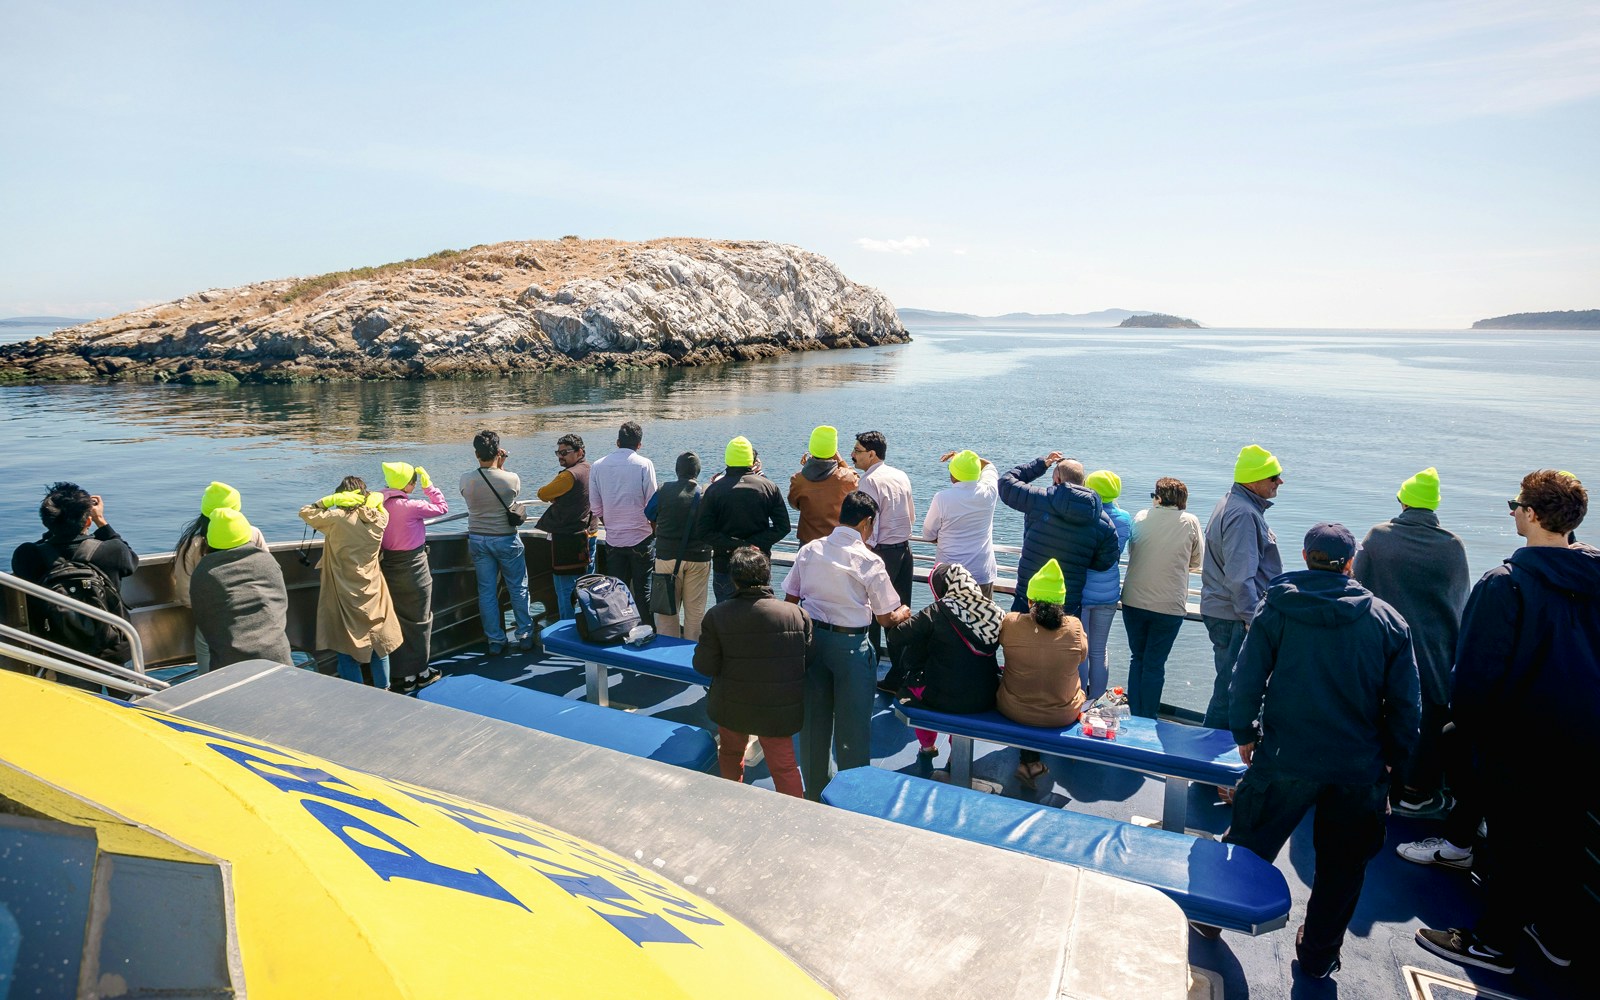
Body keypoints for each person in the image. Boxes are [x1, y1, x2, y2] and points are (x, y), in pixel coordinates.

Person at [1416, 470, 1598, 975]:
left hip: (1521, 741)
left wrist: (1473, 736)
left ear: (1533, 515)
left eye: (1517, 503)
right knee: (1564, 840)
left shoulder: (1505, 585)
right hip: (1586, 742)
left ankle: (1492, 945)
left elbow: (1473, 680)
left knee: (1513, 843)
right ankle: (1556, 935)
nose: (1513, 510)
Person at [1226, 523, 1419, 981]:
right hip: (1358, 766)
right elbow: (1407, 703)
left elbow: (1247, 677)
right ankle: (1318, 955)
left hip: (1285, 756)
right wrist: (1393, 756)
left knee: (1249, 842)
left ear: (1306, 555)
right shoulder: (1389, 620)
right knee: (1342, 868)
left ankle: (1212, 919)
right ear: (1351, 564)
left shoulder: (1278, 608)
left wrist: (1244, 731)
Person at [1351, 467, 1469, 814]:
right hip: (1434, 650)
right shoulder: (1453, 547)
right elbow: (1459, 602)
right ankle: (1414, 791)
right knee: (1428, 715)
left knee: (1377, 710)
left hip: (1383, 645)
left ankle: (1371, 782)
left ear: (1402, 501)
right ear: (1434, 507)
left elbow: (1358, 590)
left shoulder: (1377, 538)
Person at [783, 490, 910, 800]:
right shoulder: (869, 560)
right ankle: (852, 795)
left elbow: (790, 598)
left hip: (812, 643)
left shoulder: (811, 550)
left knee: (813, 724)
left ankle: (815, 791)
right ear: (866, 523)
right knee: (852, 728)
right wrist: (903, 611)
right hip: (851, 646)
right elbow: (885, 618)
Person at [693, 546, 811, 797]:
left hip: (733, 704)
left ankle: (733, 801)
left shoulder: (717, 615)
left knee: (730, 753)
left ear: (734, 579)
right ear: (767, 576)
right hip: (777, 709)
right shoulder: (797, 615)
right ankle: (797, 816)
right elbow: (806, 662)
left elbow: (704, 666)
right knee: (784, 767)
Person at [11, 482, 140, 672]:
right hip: (114, 648)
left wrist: (57, 529)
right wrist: (101, 521)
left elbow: (47, 545)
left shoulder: (27, 555)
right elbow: (131, 561)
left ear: (46, 521)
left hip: (62, 652)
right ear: (87, 521)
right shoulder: (112, 550)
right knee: (130, 700)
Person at [1199, 444, 1285, 730]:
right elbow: (1240, 577)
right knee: (1232, 691)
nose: (1279, 482)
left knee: (1228, 687)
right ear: (1254, 480)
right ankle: (1208, 760)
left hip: (1226, 611)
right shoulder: (1244, 515)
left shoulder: (1232, 502)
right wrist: (1252, 619)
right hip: (1235, 616)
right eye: (1274, 477)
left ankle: (1211, 753)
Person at [889, 562, 1002, 761]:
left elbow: (896, 637)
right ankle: (955, 756)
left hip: (945, 697)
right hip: (986, 697)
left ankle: (927, 746)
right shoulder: (994, 612)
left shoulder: (937, 610)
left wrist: (901, 616)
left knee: (916, 690)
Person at [299, 477, 403, 688]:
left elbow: (305, 512)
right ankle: (384, 690)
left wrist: (328, 501)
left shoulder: (336, 518)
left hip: (343, 590)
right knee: (378, 647)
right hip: (373, 588)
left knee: (346, 648)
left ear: (342, 496)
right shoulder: (380, 517)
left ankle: (355, 695)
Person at [995, 559, 1089, 788]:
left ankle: (1029, 762)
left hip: (1013, 709)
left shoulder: (1010, 622)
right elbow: (1083, 656)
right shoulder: (1074, 627)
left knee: (1022, 683)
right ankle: (1032, 763)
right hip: (1062, 715)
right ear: (1062, 603)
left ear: (1030, 600)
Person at [1120, 477, 1203, 718]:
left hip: (1134, 599)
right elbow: (1197, 562)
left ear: (1158, 497)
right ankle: (1148, 717)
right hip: (1169, 605)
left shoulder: (1140, 517)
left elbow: (1134, 549)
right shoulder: (1189, 521)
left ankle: (1134, 713)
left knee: (1138, 658)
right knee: (1155, 664)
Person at [998, 451, 1119, 616]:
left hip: (1029, 594)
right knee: (1061, 642)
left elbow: (1006, 483)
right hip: (1067, 600)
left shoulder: (1038, 500)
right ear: (1083, 482)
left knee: (1021, 641)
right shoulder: (1103, 521)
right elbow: (1106, 561)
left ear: (1057, 479)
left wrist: (1042, 464)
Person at [172, 481, 266, 673]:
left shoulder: (192, 544)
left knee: (210, 682)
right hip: (254, 619)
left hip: (210, 622)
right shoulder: (253, 534)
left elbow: (184, 593)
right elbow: (268, 573)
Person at [190, 507, 292, 670]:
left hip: (230, 666)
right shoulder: (267, 562)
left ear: (210, 539)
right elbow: (280, 604)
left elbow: (204, 620)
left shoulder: (204, 572)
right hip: (277, 657)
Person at [460, 430, 535, 653]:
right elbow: (509, 494)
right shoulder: (511, 478)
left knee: (487, 592)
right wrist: (500, 467)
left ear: (476, 454)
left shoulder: (466, 479)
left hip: (478, 539)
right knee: (518, 588)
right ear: (498, 451)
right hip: (506, 539)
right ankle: (524, 634)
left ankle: (495, 640)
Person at [852, 430, 915, 684]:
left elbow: (870, 524)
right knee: (900, 613)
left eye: (856, 450)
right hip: (904, 551)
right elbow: (911, 515)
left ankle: (869, 670)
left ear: (871, 454)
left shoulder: (868, 481)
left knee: (875, 616)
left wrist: (865, 550)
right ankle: (900, 673)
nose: (852, 455)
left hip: (881, 553)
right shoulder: (900, 475)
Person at [378, 460, 448, 693]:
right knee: (420, 620)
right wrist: (430, 487)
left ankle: (403, 675)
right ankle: (422, 672)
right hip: (414, 568)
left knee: (398, 620)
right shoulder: (413, 506)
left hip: (388, 567)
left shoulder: (378, 503)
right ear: (408, 484)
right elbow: (441, 508)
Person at [698, 436, 790, 604]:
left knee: (725, 618)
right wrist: (754, 544)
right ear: (751, 460)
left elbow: (703, 532)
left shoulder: (714, 490)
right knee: (758, 615)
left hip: (725, 565)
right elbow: (783, 526)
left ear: (727, 459)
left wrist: (739, 545)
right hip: (759, 563)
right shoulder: (769, 486)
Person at [589, 420, 657, 611]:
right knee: (644, 593)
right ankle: (647, 632)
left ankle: (619, 631)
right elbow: (652, 504)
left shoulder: (597, 466)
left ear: (617, 442)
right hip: (642, 538)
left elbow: (595, 507)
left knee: (617, 592)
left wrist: (610, 524)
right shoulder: (645, 465)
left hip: (614, 540)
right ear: (639, 445)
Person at [645, 452, 712, 639]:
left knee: (666, 613)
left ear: (676, 470)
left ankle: (667, 657)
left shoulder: (663, 490)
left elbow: (649, 513)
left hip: (666, 558)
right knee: (695, 612)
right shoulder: (705, 492)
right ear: (697, 471)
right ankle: (691, 657)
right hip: (698, 558)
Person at [1079, 470, 1132, 700]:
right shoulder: (1125, 519)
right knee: (1099, 651)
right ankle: (1097, 701)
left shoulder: (1084, 516)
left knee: (1080, 651)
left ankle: (1079, 698)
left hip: (1082, 591)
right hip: (1109, 592)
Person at [535, 432, 597, 620]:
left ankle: (567, 629)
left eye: (565, 452)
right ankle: (589, 624)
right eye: (558, 452)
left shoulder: (568, 476)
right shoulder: (591, 469)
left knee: (564, 589)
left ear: (579, 452)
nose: (560, 456)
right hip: (589, 535)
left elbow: (543, 493)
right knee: (587, 586)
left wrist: (556, 497)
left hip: (567, 540)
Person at [922, 449, 1000, 598]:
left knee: (948, 620)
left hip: (950, 575)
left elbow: (927, 534)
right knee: (982, 619)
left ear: (953, 475)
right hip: (981, 573)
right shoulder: (989, 492)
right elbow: (990, 466)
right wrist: (967, 459)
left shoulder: (942, 499)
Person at [788, 425, 859, 545]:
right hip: (837, 542)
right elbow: (857, 481)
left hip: (808, 542)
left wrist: (808, 468)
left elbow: (794, 504)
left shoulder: (798, 479)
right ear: (834, 450)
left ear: (811, 447)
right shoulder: (846, 478)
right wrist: (840, 461)